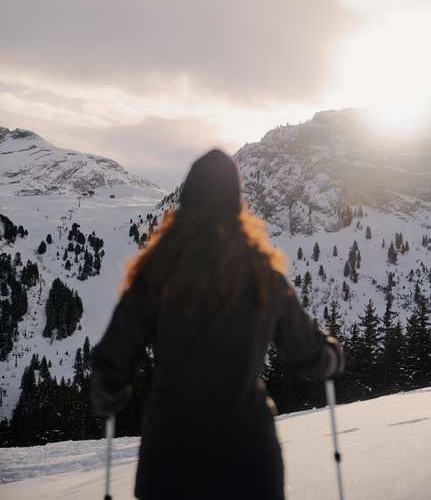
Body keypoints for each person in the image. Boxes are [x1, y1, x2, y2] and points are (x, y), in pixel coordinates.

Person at [92, 149, 343, 500]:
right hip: (247, 460)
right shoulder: (263, 276)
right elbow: (309, 354)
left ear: (186, 204)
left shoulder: (157, 274)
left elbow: (112, 361)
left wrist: (109, 399)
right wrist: (331, 357)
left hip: (170, 462)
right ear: (235, 205)